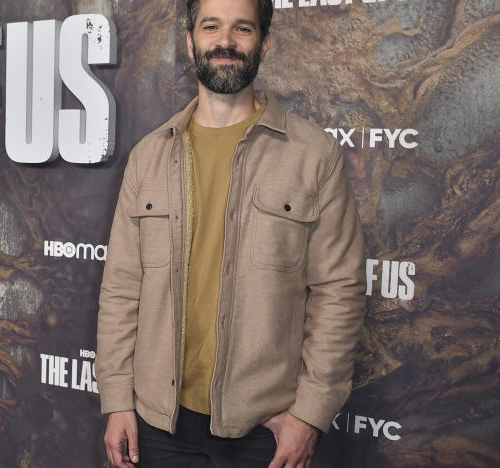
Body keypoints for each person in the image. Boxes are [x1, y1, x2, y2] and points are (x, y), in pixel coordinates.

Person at [94, 0, 366, 466]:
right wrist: (118, 399)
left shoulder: (313, 156)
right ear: (190, 41)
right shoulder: (147, 156)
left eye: (242, 28)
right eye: (211, 27)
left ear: (265, 42)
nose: (225, 41)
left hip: (264, 429)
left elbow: (338, 292)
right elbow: (122, 288)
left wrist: (309, 415)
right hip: (156, 424)